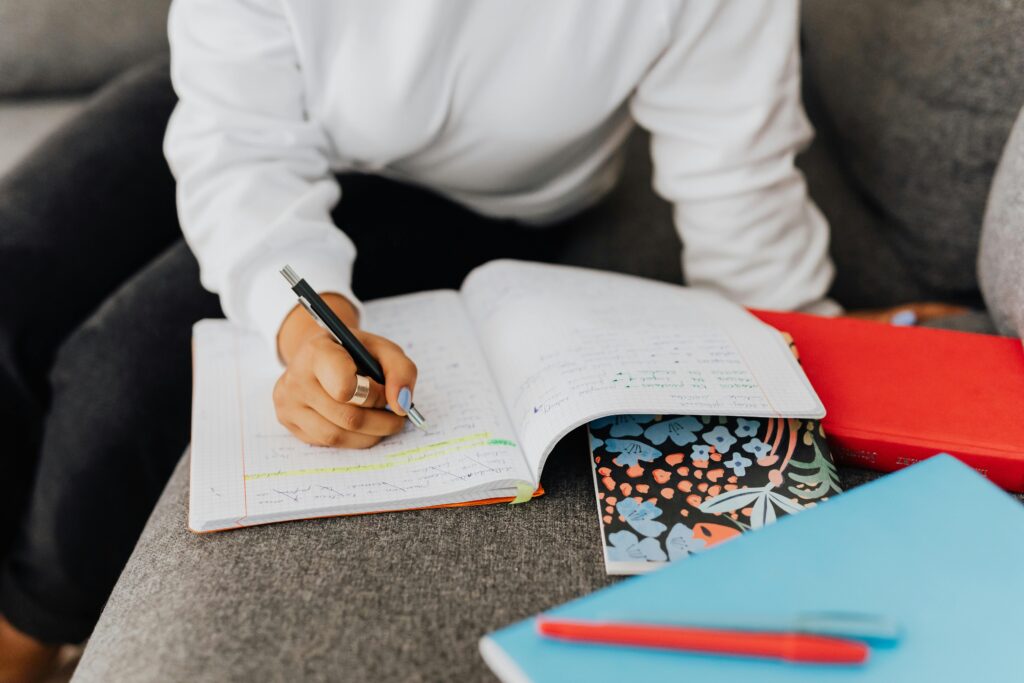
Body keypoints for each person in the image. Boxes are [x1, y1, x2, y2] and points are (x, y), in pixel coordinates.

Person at [0, 1, 962, 680]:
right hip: (256, 112)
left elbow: (738, 175)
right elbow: (237, 142)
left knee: (118, 379)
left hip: (474, 193)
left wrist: (801, 339)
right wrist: (296, 310)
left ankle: (27, 632)